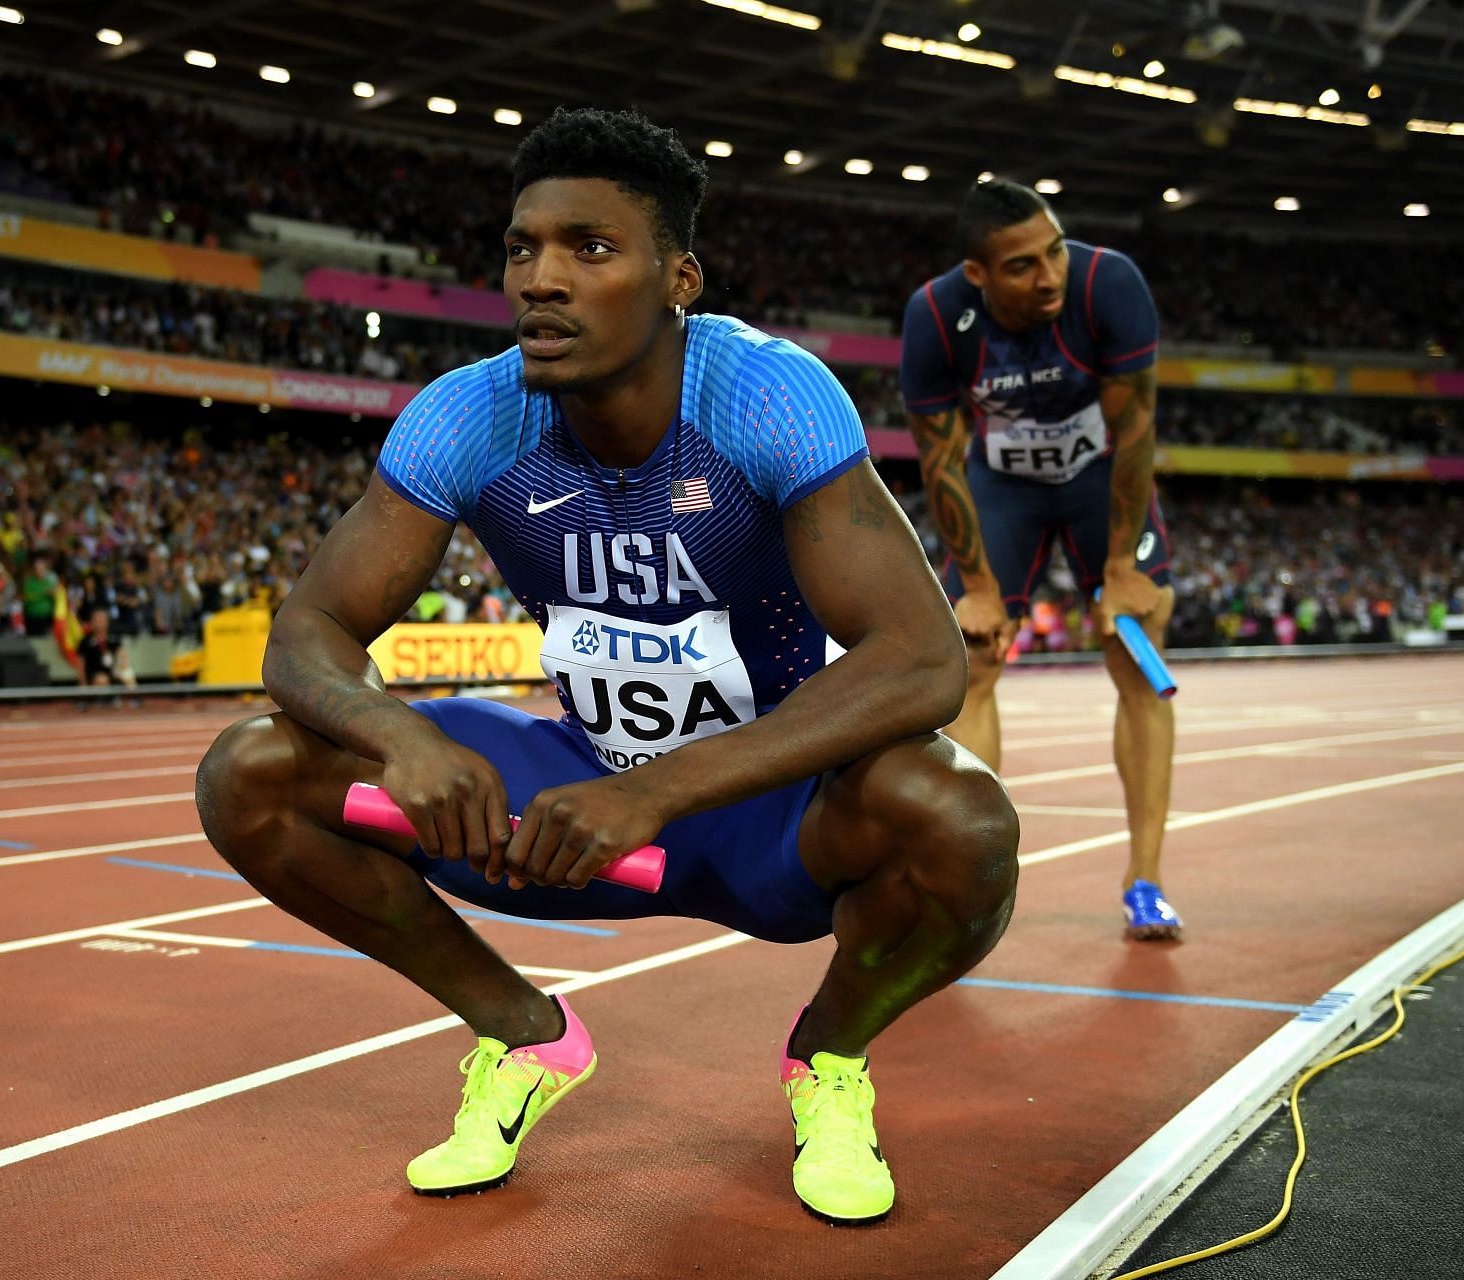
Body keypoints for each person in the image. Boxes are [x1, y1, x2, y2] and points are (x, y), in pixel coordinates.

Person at [195, 108, 1019, 1223]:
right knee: (250, 772)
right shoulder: (470, 415)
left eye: (589, 248)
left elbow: (920, 662)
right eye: (523, 247)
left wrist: (658, 790)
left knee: (963, 822)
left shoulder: (763, 395)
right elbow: (307, 632)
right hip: (570, 793)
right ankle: (525, 1035)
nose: (541, 278)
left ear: (678, 277)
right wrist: (406, 736)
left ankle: (828, 1059)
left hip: (767, 812)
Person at [898, 178, 1178, 940]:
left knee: (1137, 646)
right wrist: (980, 588)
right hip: (1004, 488)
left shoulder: (1106, 283)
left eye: (1054, 249)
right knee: (973, 659)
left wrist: (1123, 565)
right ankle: (962, 878)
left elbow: (1137, 430)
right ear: (980, 275)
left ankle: (1145, 880)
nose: (1048, 273)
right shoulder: (934, 316)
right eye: (1022, 265)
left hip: (1099, 479)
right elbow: (941, 462)